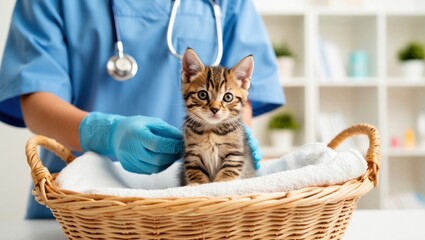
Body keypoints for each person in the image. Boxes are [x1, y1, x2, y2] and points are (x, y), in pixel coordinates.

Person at [0, 0, 285, 219]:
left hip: (200, 210)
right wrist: (105, 133)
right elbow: (34, 94)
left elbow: (239, 91)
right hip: (78, 203)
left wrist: (234, 138)